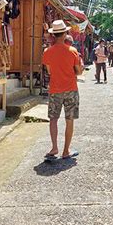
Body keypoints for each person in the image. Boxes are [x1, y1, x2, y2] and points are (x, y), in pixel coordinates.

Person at [42, 20, 83, 159]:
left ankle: (54, 148)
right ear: (65, 34)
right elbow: (78, 72)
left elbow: (49, 71)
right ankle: (66, 151)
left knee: (53, 119)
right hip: (71, 88)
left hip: (55, 89)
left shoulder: (47, 52)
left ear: (53, 35)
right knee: (69, 119)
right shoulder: (73, 51)